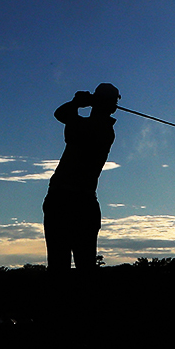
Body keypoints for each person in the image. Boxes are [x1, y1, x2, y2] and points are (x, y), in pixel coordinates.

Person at [43, 83, 119, 272]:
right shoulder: (101, 128)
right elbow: (62, 114)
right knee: (75, 267)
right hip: (80, 203)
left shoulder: (100, 129)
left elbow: (61, 114)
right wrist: (80, 103)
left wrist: (77, 103)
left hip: (67, 201)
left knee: (61, 267)